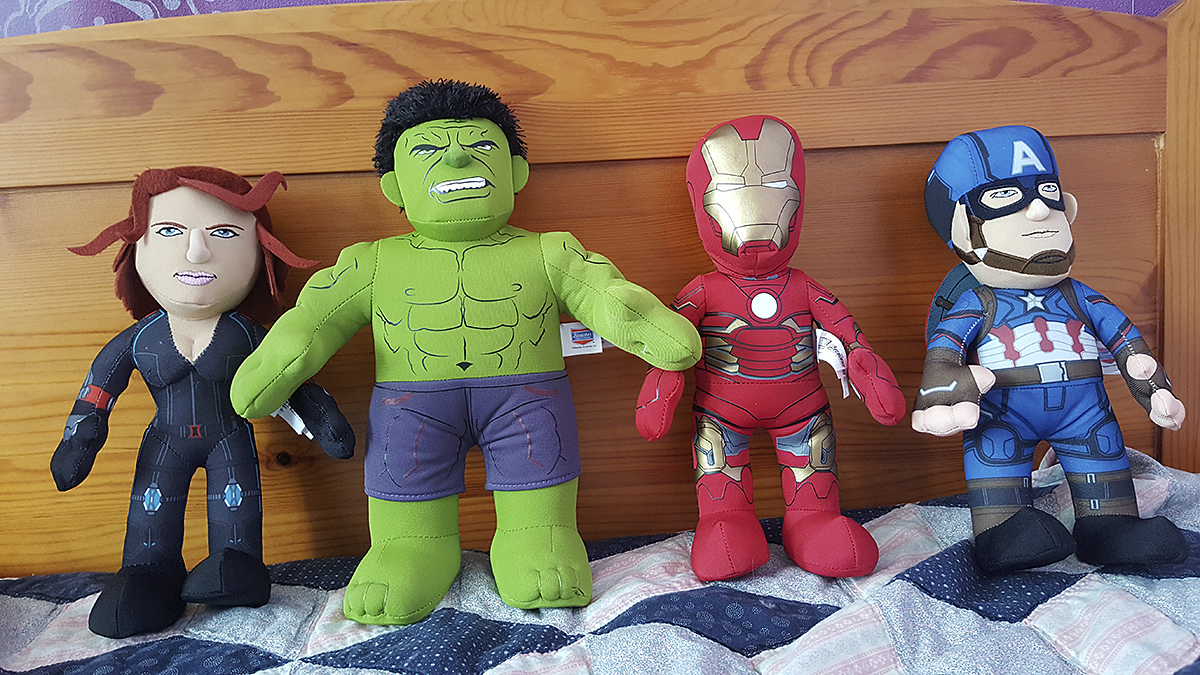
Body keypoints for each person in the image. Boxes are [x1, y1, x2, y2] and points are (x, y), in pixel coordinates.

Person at [230, 80, 702, 625]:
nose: (456, 158)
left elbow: (610, 299)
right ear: (394, 186)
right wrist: (270, 370)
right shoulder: (370, 262)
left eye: (480, 145)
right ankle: (410, 549)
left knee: (539, 502)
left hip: (527, 400)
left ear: (516, 173)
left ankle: (537, 540)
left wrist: (660, 337)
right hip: (411, 407)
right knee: (406, 499)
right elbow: (312, 321)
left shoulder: (550, 252)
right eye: (427, 151)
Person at [55, 166, 354, 638]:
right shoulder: (139, 338)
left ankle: (236, 568)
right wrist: (80, 438)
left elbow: (288, 376)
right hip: (164, 442)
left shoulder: (248, 334)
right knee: (150, 520)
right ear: (137, 246)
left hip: (228, 439)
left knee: (236, 523)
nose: (196, 251)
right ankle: (146, 576)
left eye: (224, 233)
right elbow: (97, 392)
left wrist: (323, 418)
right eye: (169, 231)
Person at [636, 115, 906, 581]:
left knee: (816, 483)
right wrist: (661, 385)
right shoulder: (702, 290)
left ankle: (815, 523)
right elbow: (671, 343)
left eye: (778, 185)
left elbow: (851, 339)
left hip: (803, 407)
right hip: (722, 410)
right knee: (720, 487)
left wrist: (868, 369)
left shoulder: (805, 287)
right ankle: (725, 525)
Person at [914, 126, 1188, 574]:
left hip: (1085, 410)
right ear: (962, 226)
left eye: (1047, 192)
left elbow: (1127, 343)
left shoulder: (1079, 295)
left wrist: (1154, 389)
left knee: (1101, 455)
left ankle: (1111, 526)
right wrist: (948, 385)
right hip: (1002, 410)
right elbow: (944, 350)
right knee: (995, 460)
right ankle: (1002, 530)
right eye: (1003, 197)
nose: (1039, 209)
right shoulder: (977, 300)